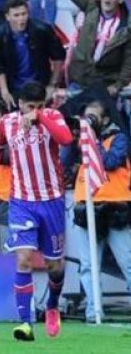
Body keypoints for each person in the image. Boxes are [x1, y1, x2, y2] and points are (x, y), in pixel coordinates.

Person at [0, 82, 74, 342]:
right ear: (19, 104)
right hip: (21, 201)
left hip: (51, 200)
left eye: (40, 105)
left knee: (55, 266)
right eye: (31, 106)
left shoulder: (52, 116)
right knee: (24, 260)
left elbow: (66, 140)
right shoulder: (6, 123)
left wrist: (40, 116)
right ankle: (25, 323)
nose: (35, 110)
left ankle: (52, 306)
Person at [63, 99, 131, 323]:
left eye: (93, 117)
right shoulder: (80, 140)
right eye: (86, 117)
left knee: (127, 262)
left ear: (105, 118)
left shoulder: (119, 137)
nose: (89, 121)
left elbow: (111, 162)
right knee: (88, 265)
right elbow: (66, 163)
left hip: (115, 207)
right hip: (87, 207)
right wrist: (76, 138)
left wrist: (93, 141)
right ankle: (94, 311)